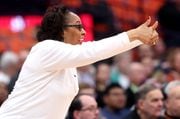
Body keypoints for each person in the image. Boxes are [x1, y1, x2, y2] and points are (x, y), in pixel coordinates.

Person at [0, 5, 159, 119]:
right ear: (61, 29)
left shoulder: (66, 60)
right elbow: (92, 51)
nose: (83, 31)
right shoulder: (46, 49)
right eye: (78, 26)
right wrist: (133, 35)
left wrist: (139, 38)